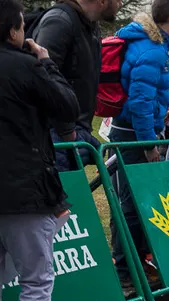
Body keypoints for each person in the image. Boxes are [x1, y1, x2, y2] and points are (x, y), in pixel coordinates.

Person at [0, 0, 79, 301]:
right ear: (13, 31)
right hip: (24, 191)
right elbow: (68, 106)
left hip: (20, 188)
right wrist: (46, 62)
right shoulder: (25, 66)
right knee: (36, 280)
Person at [108, 0, 169, 291]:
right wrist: (148, 143)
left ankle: (137, 263)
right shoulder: (151, 51)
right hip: (132, 136)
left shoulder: (154, 47)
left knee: (139, 201)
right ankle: (125, 271)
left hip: (135, 132)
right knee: (130, 204)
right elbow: (139, 102)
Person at [31, 0, 121, 172]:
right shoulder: (59, 22)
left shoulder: (90, 26)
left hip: (73, 133)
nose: (121, 4)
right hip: (54, 137)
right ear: (102, 2)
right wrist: (68, 133)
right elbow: (41, 80)